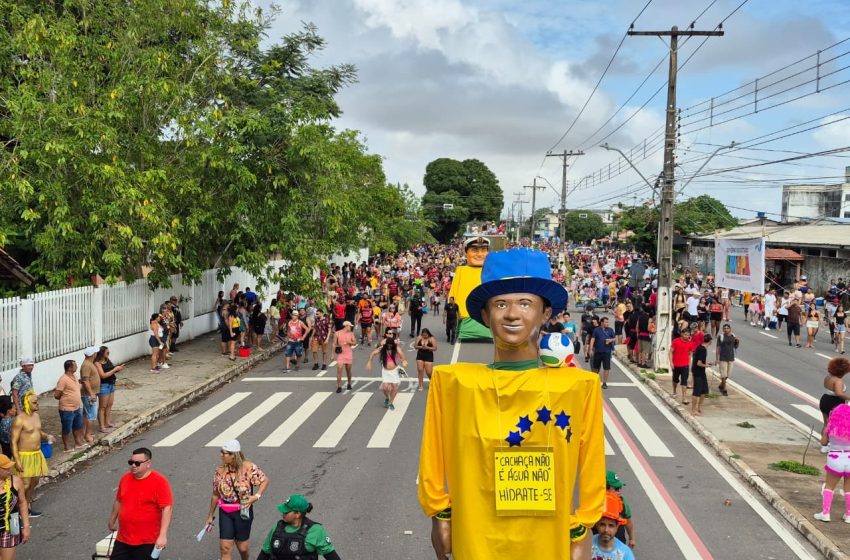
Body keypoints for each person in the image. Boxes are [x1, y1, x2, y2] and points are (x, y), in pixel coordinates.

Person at [418, 248, 604, 560]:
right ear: (486, 315)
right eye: (500, 304)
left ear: (545, 313)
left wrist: (582, 527)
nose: (512, 313)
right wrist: (440, 514)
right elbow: (432, 454)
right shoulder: (454, 383)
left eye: (525, 303)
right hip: (476, 541)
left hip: (547, 542)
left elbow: (593, 463)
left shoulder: (578, 386)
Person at [204, 439, 269, 560]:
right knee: (225, 548)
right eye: (221, 452)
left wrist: (256, 496)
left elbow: (264, 480)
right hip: (225, 512)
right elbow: (215, 494)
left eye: (224, 453)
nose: (221, 455)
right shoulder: (220, 471)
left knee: (243, 548)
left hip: (243, 511)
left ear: (233, 455)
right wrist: (210, 515)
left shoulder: (249, 468)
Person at [108, 447, 173, 560]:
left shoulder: (159, 482)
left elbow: (167, 508)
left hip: (147, 541)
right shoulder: (125, 479)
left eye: (137, 463)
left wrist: (162, 536)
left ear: (148, 463)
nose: (133, 465)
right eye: (131, 462)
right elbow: (119, 500)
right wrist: (112, 519)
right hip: (123, 538)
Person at [256, 494, 341, 560]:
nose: (282, 514)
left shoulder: (315, 531)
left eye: (286, 512)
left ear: (297, 514)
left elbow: (331, 555)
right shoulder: (277, 528)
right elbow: (265, 553)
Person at [10, 391, 49, 518]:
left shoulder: (36, 416)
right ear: (27, 403)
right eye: (34, 402)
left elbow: (38, 432)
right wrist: (17, 460)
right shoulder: (19, 420)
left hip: (36, 455)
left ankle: (26, 508)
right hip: (24, 456)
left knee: (34, 482)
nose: (37, 404)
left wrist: (47, 436)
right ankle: (13, 510)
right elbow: (13, 442)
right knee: (24, 484)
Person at [447, 236, 492, 341]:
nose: (480, 254)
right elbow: (453, 291)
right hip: (465, 314)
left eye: (483, 250)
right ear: (465, 252)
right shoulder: (461, 271)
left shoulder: (491, 271)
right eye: (475, 250)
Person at [815, 403, 850, 522]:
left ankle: (825, 513)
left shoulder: (830, 427)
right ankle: (849, 515)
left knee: (829, 486)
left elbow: (823, 442)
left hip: (835, 458)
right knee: (848, 488)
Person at [0, 453, 31, 556]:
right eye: (6, 469)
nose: (10, 470)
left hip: (12, 524)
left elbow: (22, 503)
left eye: (10, 467)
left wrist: (26, 527)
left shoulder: (16, 481)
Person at [367, 335, 409, 409]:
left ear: (393, 345)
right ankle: (387, 398)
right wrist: (369, 362)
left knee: (394, 387)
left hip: (394, 371)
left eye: (391, 345)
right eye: (388, 345)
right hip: (385, 371)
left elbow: (402, 356)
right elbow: (373, 353)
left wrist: (404, 361)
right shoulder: (382, 348)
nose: (389, 347)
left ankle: (391, 402)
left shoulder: (396, 348)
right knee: (385, 388)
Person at [590, 492, 634, 560]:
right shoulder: (586, 545)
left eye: (611, 526)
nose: (606, 530)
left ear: (617, 527)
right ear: (597, 524)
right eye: (602, 524)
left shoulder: (625, 553)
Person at [819, 358, 850, 452]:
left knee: (826, 423)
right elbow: (839, 393)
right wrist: (848, 398)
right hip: (834, 402)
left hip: (825, 399)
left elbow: (826, 386)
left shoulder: (828, 377)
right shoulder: (838, 381)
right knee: (832, 424)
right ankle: (826, 445)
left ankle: (824, 443)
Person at [95, 346, 124, 432]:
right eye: (107, 352)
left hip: (111, 384)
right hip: (104, 385)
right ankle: (102, 426)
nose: (108, 354)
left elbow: (111, 370)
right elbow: (103, 375)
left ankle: (107, 422)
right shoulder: (97, 363)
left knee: (109, 405)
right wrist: (114, 369)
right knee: (102, 407)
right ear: (102, 353)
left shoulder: (107, 360)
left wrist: (117, 369)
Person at [606, 470, 635, 549]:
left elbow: (628, 522)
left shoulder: (622, 502)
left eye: (620, 488)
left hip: (618, 544)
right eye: (616, 489)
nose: (619, 492)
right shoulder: (594, 503)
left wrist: (632, 538)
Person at [79, 346, 100, 444]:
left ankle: (84, 433)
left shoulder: (89, 364)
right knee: (91, 415)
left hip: (90, 393)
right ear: (93, 354)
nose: (96, 354)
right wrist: (91, 393)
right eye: (95, 353)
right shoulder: (86, 365)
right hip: (88, 394)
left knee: (86, 415)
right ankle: (88, 434)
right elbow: (86, 381)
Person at [590, 317, 616, 389]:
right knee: (595, 367)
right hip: (598, 351)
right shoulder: (596, 330)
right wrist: (590, 349)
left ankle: (604, 382)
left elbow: (614, 338)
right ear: (601, 322)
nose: (607, 323)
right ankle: (594, 381)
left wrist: (610, 340)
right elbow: (592, 339)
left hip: (607, 352)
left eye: (607, 322)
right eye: (606, 322)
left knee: (606, 367)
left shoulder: (610, 330)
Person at [691, 334, 714, 416]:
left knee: (704, 391)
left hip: (701, 372)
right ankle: (693, 410)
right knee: (696, 392)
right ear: (710, 341)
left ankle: (699, 408)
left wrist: (706, 363)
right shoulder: (703, 350)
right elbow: (699, 363)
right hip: (698, 373)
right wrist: (707, 365)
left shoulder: (701, 347)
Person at [669, 328, 692, 405]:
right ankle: (674, 391)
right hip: (676, 364)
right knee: (675, 380)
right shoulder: (676, 341)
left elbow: (690, 354)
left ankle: (684, 397)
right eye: (685, 335)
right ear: (682, 334)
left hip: (685, 365)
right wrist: (671, 363)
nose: (686, 336)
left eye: (688, 335)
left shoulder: (690, 343)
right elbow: (670, 352)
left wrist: (689, 363)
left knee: (684, 381)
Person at [716, 324, 739, 396]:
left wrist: (738, 341)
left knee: (727, 375)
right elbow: (718, 348)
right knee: (723, 375)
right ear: (723, 329)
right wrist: (717, 358)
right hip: (723, 358)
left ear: (730, 329)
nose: (726, 329)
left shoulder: (733, 337)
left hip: (731, 358)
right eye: (724, 328)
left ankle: (721, 385)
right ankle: (724, 389)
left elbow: (736, 347)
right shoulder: (721, 337)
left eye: (727, 328)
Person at [332, 321, 356, 393]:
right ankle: (339, 386)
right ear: (345, 326)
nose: (351, 327)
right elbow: (334, 344)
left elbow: (355, 342)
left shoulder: (351, 333)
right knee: (339, 370)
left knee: (348, 370)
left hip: (348, 353)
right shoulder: (337, 333)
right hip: (341, 354)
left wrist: (350, 342)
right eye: (349, 326)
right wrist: (332, 355)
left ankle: (349, 383)